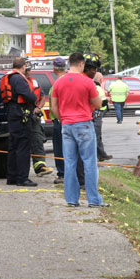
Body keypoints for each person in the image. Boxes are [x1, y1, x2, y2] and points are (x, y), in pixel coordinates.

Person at [51, 52, 108, 208]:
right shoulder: (87, 82)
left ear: (70, 63)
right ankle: (94, 200)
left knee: (69, 163)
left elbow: (54, 107)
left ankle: (71, 199)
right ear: (82, 64)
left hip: (67, 126)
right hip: (84, 124)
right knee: (89, 163)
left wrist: (63, 120)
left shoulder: (58, 83)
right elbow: (98, 104)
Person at [0, 57, 37, 187]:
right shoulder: (19, 78)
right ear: (23, 67)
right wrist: (34, 97)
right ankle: (22, 178)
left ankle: (12, 177)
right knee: (23, 146)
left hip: (12, 113)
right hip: (20, 114)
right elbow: (27, 95)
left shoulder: (9, 77)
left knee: (13, 146)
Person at [48, 57, 84, 186]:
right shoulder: (74, 80)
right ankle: (77, 176)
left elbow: (54, 106)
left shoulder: (57, 84)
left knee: (60, 149)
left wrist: (60, 120)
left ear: (54, 68)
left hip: (62, 121)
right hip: (77, 120)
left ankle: (63, 174)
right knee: (75, 150)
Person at [24, 64, 53, 177]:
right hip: (20, 116)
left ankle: (40, 166)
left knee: (37, 139)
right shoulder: (18, 82)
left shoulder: (35, 82)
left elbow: (41, 98)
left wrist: (38, 108)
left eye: (29, 70)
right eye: (26, 70)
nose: (28, 72)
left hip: (34, 115)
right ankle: (20, 170)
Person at [90, 70, 112, 162]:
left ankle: (101, 154)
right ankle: (100, 155)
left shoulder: (94, 86)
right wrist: (107, 100)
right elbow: (101, 103)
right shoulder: (97, 88)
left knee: (97, 135)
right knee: (97, 135)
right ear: (99, 79)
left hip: (95, 114)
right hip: (97, 114)